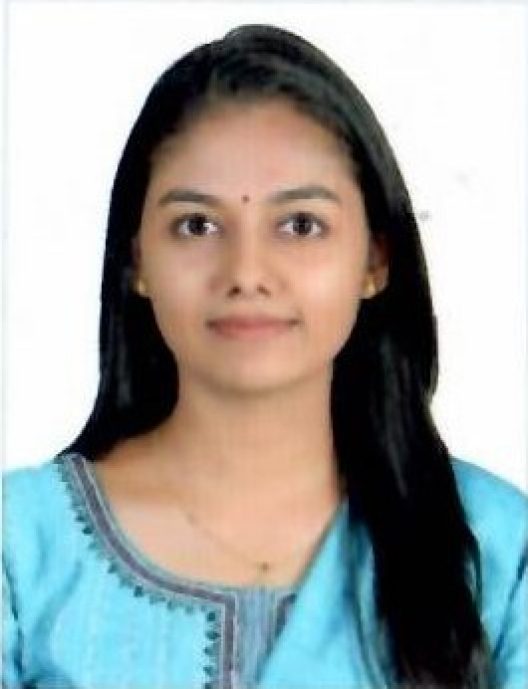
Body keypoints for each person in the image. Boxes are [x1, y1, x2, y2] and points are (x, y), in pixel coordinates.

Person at [2, 23, 527, 689]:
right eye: (197, 225)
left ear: (375, 260)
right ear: (137, 262)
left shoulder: (495, 550)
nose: (247, 272)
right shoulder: (22, 548)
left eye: (300, 225)